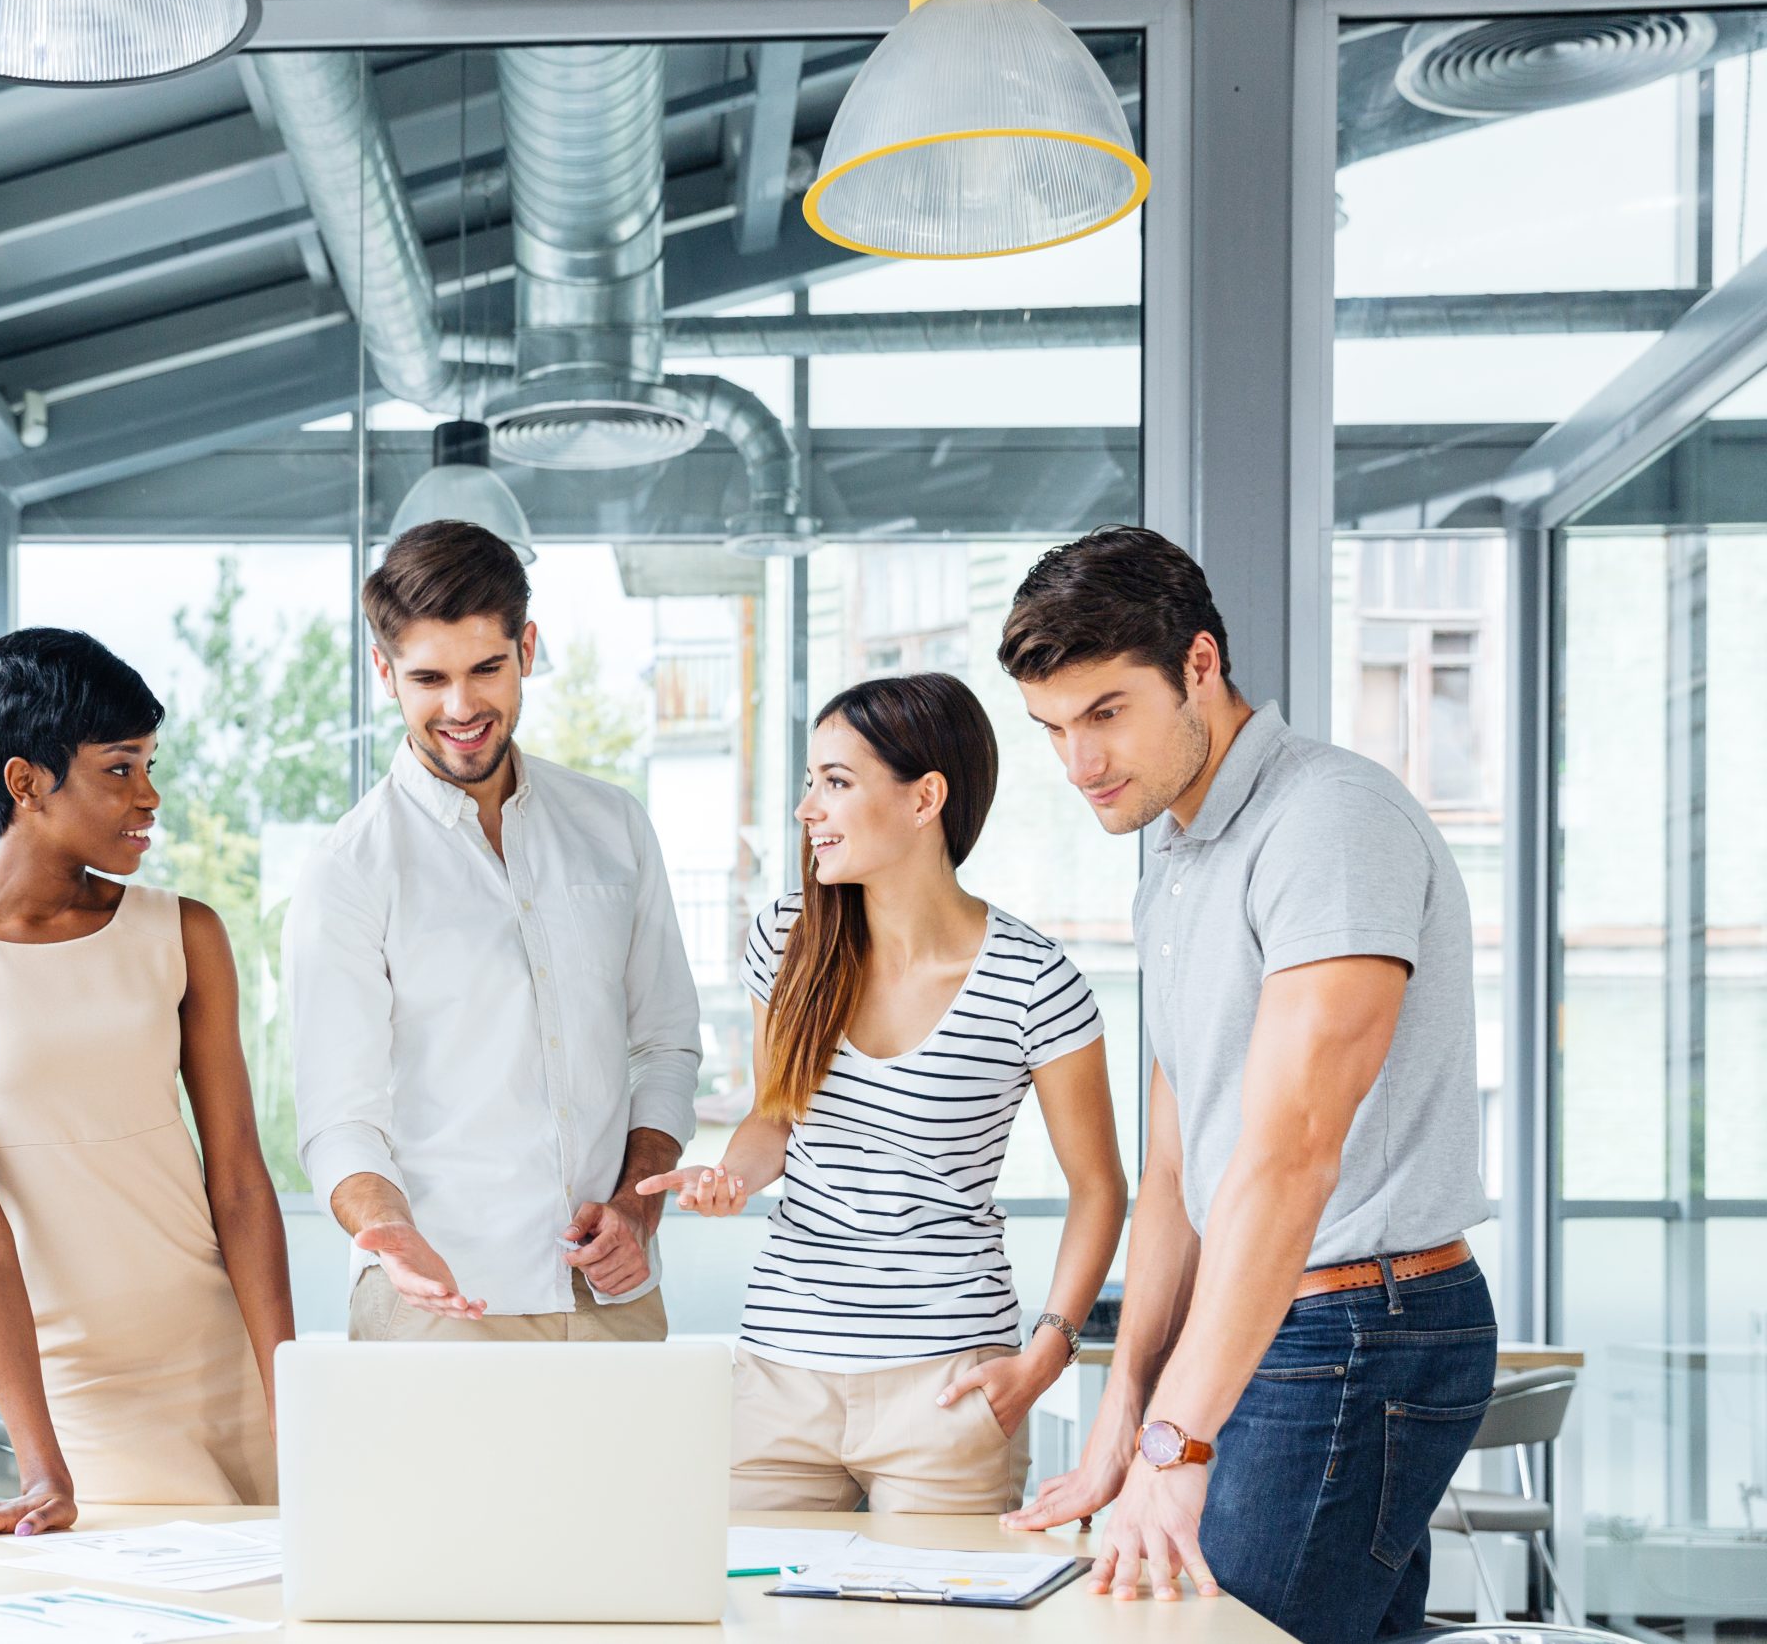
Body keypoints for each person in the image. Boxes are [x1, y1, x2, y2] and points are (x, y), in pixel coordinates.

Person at [995, 527, 1494, 1644]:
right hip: (1279, 1320)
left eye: (1107, 713)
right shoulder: (1175, 863)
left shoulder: (1327, 822)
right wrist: (1125, 1405)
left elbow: (1292, 1149)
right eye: (1053, 730)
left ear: (1201, 667)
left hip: (1354, 1322)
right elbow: (1179, 1159)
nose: (1080, 765)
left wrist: (1180, 1441)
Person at [637, 675, 1127, 1514]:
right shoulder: (787, 938)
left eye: (837, 781)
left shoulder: (1035, 980)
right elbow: (775, 1114)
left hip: (948, 1384)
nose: (807, 810)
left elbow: (1099, 1188)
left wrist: (1047, 1352)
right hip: (780, 1374)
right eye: (808, 783)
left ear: (924, 798)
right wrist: (732, 1175)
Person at [0, 628, 291, 1535]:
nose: (150, 795)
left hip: (227, 1357)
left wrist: (290, 1393)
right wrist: (38, 1459)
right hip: (86, 1391)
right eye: (120, 769)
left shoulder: (186, 933)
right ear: (27, 781)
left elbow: (243, 1182)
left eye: (149, 764)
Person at [286, 519, 702, 1340]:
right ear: (384, 671)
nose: (462, 706)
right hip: (436, 1302)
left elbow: (665, 1046)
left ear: (528, 648)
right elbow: (340, 1118)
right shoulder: (349, 868)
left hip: (612, 1294)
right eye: (428, 677)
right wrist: (389, 1232)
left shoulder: (613, 827)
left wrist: (636, 1208)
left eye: (486, 668)